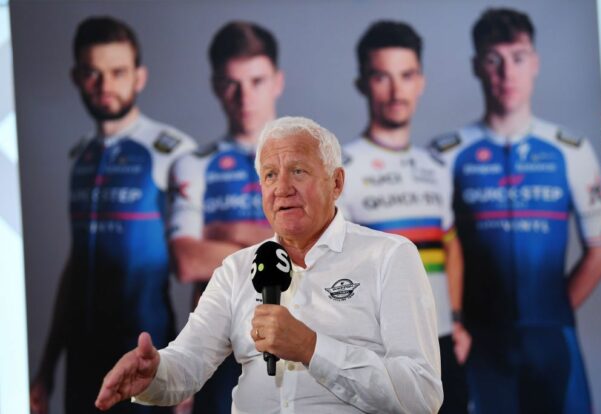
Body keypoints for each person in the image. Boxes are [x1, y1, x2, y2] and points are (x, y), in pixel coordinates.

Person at [95, 116, 443, 413]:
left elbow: (422, 395)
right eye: (270, 175)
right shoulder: (235, 270)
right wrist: (153, 375)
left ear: (336, 183)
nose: (282, 189)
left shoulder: (389, 256)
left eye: (298, 171)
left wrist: (312, 348)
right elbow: (187, 365)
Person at [429, 8, 601, 414]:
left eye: (518, 56)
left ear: (535, 63)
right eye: (493, 59)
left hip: (552, 338)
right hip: (478, 341)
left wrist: (550, 314)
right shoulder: (446, 153)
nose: (506, 72)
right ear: (477, 66)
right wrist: (453, 321)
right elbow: (431, 252)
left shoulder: (572, 150)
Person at [29, 16, 196, 414]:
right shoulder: (80, 156)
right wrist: (47, 367)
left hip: (146, 362)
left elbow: (205, 270)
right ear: (76, 77)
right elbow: (77, 267)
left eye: (118, 72)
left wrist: (191, 366)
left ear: (139, 77)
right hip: (82, 364)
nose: (105, 86)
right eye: (93, 73)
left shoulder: (172, 151)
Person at [338, 20, 470, 413]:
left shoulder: (436, 164)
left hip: (442, 345)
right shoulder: (339, 168)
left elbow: (450, 245)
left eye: (406, 75)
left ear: (420, 82)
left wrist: (458, 320)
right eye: (382, 77)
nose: (396, 91)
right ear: (363, 83)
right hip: (377, 350)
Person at [167, 21, 283, 413]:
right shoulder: (193, 165)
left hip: (299, 350)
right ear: (217, 86)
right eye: (232, 83)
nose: (244, 97)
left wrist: (227, 231)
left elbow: (320, 253)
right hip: (221, 353)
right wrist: (276, 237)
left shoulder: (318, 160)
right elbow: (188, 261)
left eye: (257, 81)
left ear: (277, 81)